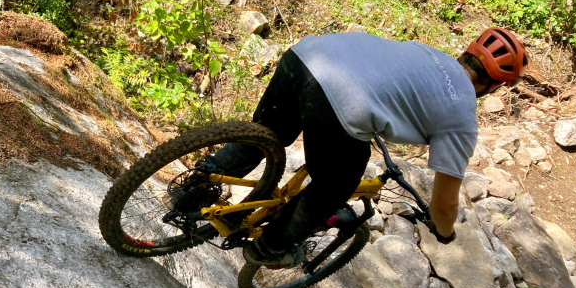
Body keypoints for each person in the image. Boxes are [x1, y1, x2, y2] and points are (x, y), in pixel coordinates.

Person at [204, 27, 528, 267]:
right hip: (337, 100)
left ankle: (196, 186)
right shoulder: (461, 115)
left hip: (303, 57)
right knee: (335, 185)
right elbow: (444, 205)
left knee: (266, 136)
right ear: (496, 84)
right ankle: (269, 248)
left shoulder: (429, 54)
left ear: (465, 53)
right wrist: (444, 233)